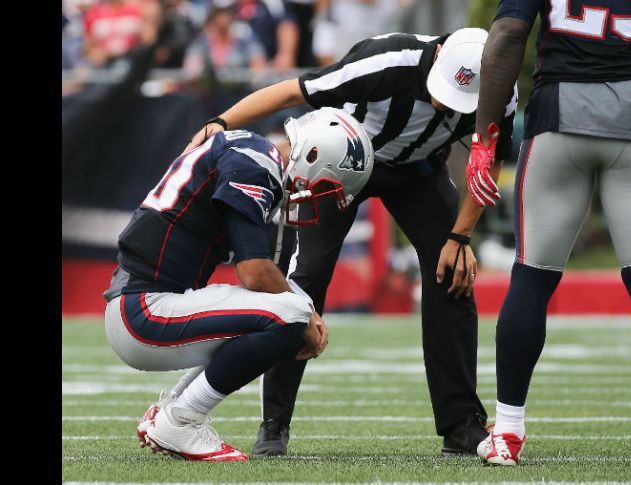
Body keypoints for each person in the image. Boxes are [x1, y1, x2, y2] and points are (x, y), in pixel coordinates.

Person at [186, 28, 519, 457]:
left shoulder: (499, 91)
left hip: (418, 171)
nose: (443, 106)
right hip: (341, 162)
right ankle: (274, 424)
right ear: (437, 57)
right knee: (305, 278)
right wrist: (221, 122)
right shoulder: (386, 61)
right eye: (442, 93)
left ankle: (460, 425)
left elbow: (488, 162)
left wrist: (460, 236)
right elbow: (293, 91)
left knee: (451, 272)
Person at [466, 0, 631, 466]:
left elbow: (506, 38)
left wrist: (483, 138)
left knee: (531, 277)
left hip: (558, 119)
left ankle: (507, 433)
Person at [102, 107, 374, 461]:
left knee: (280, 308)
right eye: (323, 186)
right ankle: (183, 420)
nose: (312, 196)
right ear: (313, 154)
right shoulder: (255, 161)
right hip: (143, 313)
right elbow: (254, 271)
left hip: (139, 303)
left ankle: (172, 410)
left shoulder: (244, 148)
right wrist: (306, 315)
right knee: (291, 313)